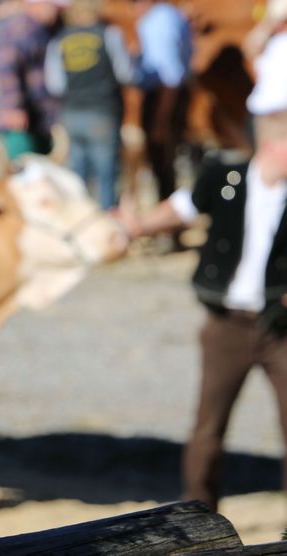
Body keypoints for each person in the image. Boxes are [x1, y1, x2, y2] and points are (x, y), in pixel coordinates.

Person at [117, 97, 287, 510]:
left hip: (281, 327)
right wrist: (137, 226)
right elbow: (182, 208)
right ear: (270, 146)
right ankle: (199, 514)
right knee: (208, 426)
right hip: (227, 322)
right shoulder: (226, 177)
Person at [45, 0, 137, 209]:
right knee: (107, 176)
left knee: (77, 178)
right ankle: (106, 224)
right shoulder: (109, 34)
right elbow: (126, 73)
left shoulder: (59, 40)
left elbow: (55, 85)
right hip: (102, 112)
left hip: (71, 114)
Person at [0, 0, 70, 160]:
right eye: (53, 7)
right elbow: (7, 71)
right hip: (22, 117)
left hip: (44, 115)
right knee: (23, 171)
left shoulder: (50, 29)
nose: (57, 12)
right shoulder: (17, 30)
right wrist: (14, 107)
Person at [132, 0, 192, 201]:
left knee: (162, 159)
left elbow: (170, 76)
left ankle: (168, 216)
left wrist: (160, 120)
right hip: (166, 95)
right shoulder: (168, 16)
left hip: (163, 97)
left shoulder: (158, 21)